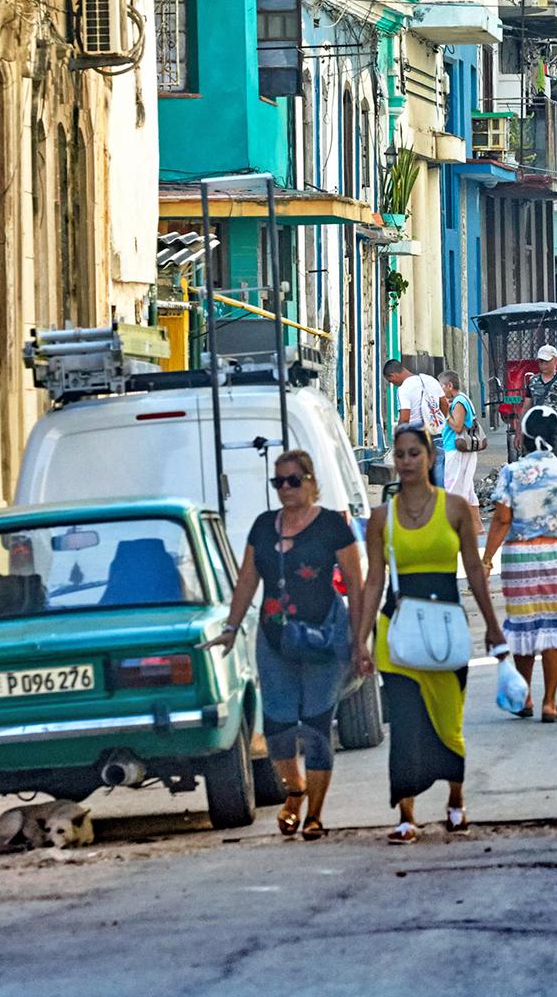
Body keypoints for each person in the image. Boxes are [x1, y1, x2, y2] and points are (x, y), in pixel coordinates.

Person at [204, 451, 364, 842]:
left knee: (315, 726)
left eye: (293, 480)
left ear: (311, 481)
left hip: (324, 640)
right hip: (275, 641)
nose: (286, 489)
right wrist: (231, 626)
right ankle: (295, 792)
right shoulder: (262, 527)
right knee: (276, 727)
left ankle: (315, 815)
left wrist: (360, 642)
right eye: (279, 482)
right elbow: (247, 580)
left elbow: (356, 585)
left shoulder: (331, 526)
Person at [355, 425, 503, 845]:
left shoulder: (455, 508)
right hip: (397, 631)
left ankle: (455, 802)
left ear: (430, 458)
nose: (406, 461)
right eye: (399, 454)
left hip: (446, 629)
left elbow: (474, 571)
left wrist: (492, 626)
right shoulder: (381, 519)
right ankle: (406, 816)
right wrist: (360, 641)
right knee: (404, 723)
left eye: (413, 453)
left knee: (447, 719)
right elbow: (372, 582)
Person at [481, 407, 557, 724]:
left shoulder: (511, 473)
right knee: (555, 630)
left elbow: (501, 518)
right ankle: (550, 702)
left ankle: (525, 697)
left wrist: (486, 559)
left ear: (522, 437)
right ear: (555, 438)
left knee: (525, 628)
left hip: (521, 560)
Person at [384, 359, 448, 482]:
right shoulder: (430, 380)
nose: (393, 384)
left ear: (393, 375)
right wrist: (438, 423)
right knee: (438, 470)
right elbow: (444, 404)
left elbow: (404, 418)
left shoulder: (403, 389)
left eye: (391, 381)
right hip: (436, 433)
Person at [438, 370, 481, 532]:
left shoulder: (459, 402)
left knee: (453, 487)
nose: (440, 390)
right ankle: (477, 526)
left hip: (456, 449)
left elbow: (457, 426)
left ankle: (455, 526)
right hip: (460, 450)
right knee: (467, 489)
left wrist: (446, 412)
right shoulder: (461, 400)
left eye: (441, 386)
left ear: (449, 386)